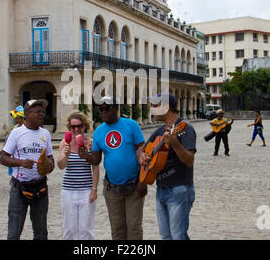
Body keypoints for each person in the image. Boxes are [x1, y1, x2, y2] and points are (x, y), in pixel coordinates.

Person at [80, 96, 147, 240]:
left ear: (116, 108)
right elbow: (96, 159)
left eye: (107, 108)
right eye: (100, 109)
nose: (103, 112)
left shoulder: (131, 125)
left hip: (134, 185)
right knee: (117, 230)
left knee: (134, 228)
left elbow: (143, 154)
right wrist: (86, 155)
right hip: (112, 189)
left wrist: (143, 181)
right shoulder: (99, 131)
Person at [137, 93, 197, 240]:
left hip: (179, 190)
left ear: (166, 107)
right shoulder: (159, 131)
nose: (151, 109)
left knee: (178, 236)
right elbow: (141, 149)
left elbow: (189, 160)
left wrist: (175, 144)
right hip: (161, 189)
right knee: (165, 236)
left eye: (155, 105)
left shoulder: (185, 128)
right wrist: (142, 156)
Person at [0, 100, 55, 240]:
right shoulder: (16, 133)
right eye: (37, 111)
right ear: (27, 114)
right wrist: (21, 163)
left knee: (41, 232)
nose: (41, 115)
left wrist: (48, 166)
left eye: (43, 112)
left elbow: (50, 158)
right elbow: (3, 158)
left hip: (40, 187)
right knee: (14, 232)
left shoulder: (46, 134)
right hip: (20, 187)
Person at [58, 112, 100, 240]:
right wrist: (65, 153)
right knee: (69, 229)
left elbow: (95, 167)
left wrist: (94, 189)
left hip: (86, 190)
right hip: (68, 190)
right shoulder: (65, 142)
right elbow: (61, 166)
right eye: (73, 127)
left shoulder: (90, 143)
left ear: (84, 126)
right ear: (69, 128)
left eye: (79, 126)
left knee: (86, 229)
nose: (76, 129)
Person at [7, 106, 26, 176]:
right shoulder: (15, 127)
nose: (16, 120)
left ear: (22, 118)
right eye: (16, 118)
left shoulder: (27, 127)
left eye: (17, 118)